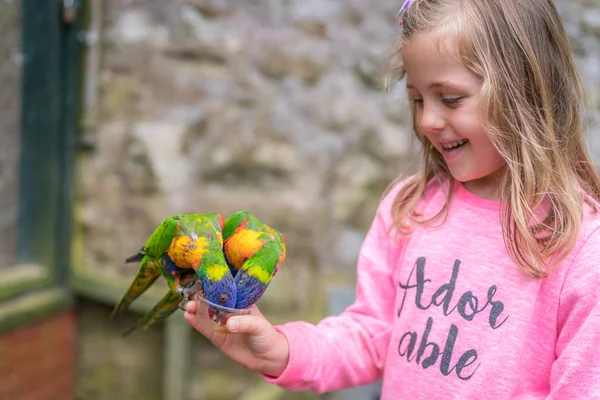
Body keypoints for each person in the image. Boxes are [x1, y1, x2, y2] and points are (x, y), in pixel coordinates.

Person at [184, 0, 600, 398]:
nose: (427, 121)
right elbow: (370, 335)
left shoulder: (582, 247)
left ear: (524, 88)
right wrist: (280, 350)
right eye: (417, 99)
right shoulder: (410, 208)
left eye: (450, 99)